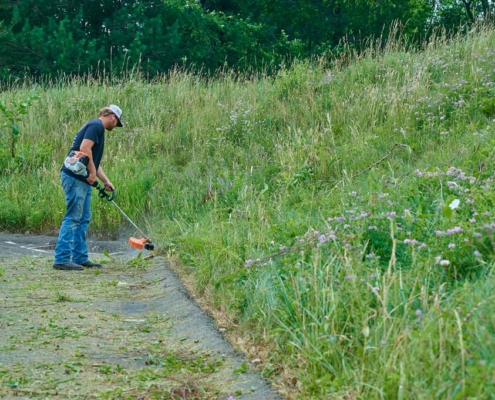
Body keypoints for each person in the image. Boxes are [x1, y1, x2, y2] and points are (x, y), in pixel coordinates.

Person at [53, 105, 124, 271]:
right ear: (113, 117)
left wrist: (105, 181)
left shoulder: (96, 128)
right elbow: (84, 150)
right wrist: (91, 172)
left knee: (83, 219)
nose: (115, 126)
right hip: (75, 178)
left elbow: (92, 160)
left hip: (82, 180)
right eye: (117, 123)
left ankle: (80, 257)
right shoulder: (96, 126)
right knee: (73, 218)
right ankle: (62, 259)